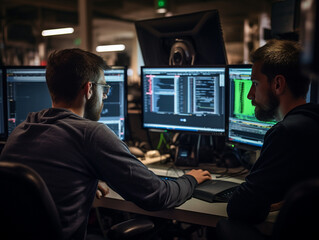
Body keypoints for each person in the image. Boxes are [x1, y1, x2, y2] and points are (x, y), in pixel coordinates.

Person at [0, 48, 211, 240]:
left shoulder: (23, 127)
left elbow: (48, 179)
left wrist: (85, 180)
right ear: (89, 89)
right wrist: (191, 179)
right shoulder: (91, 133)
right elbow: (157, 196)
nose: (105, 96)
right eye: (104, 88)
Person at [217, 39, 319, 239]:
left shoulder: (286, 132)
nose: (249, 95)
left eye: (255, 83)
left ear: (278, 84)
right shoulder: (313, 121)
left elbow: (240, 208)